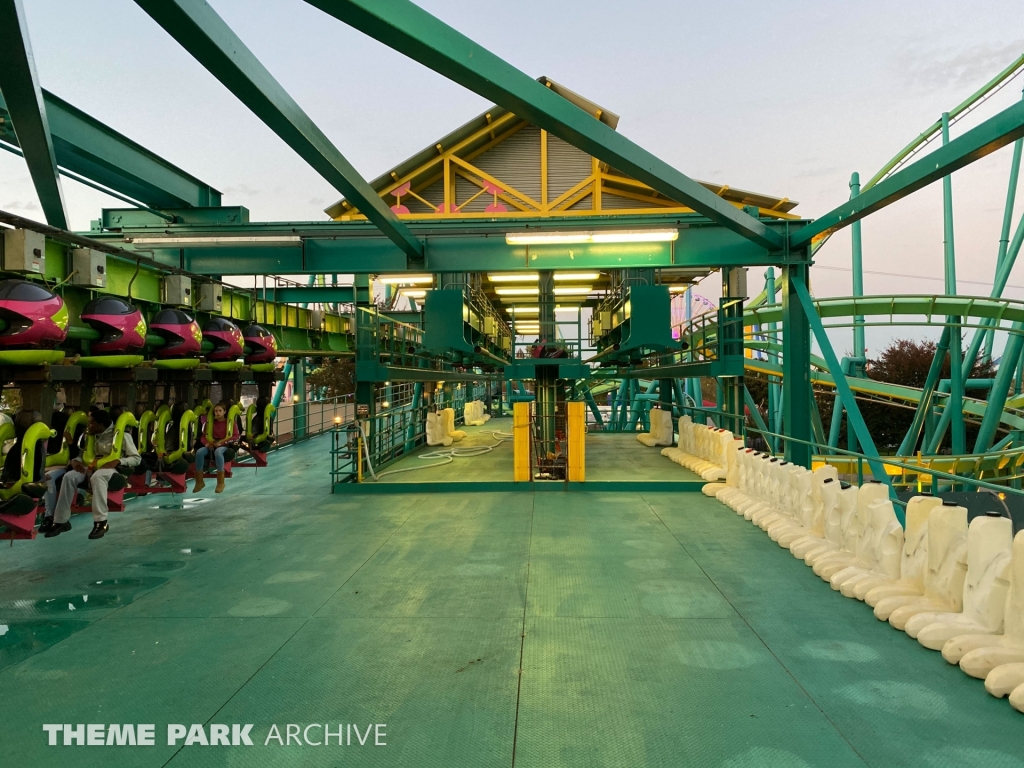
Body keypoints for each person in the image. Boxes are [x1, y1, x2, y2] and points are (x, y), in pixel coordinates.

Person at [45, 409, 141, 540]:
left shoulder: (123, 436)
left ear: (100, 425)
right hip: (90, 467)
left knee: (98, 476)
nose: (88, 426)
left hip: (111, 470)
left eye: (91, 423)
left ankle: (101, 522)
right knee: (69, 477)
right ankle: (60, 521)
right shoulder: (89, 437)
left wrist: (119, 461)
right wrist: (75, 461)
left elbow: (136, 459)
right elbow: (82, 455)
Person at [193, 401, 236, 494]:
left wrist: (222, 443)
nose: (217, 413)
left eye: (220, 411)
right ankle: (199, 481)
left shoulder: (230, 423)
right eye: (216, 411)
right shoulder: (210, 423)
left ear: (224, 412)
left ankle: (220, 482)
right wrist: (206, 443)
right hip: (212, 444)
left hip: (224, 445)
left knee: (218, 452)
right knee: (199, 452)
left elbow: (236, 436)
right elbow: (203, 436)